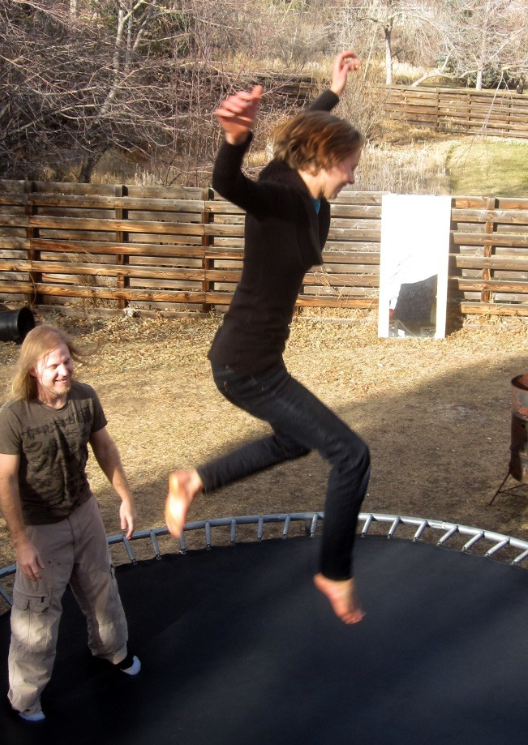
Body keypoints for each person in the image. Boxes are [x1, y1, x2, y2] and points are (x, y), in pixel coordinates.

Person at [165, 52, 370, 625]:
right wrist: (233, 139)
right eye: (349, 165)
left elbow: (303, 130)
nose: (353, 176)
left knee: (293, 440)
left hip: (254, 361)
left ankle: (194, 480)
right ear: (326, 160)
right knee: (351, 454)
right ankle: (334, 572)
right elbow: (228, 183)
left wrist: (332, 92)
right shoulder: (277, 194)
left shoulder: (298, 179)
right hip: (246, 366)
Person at [0, 324, 140, 722]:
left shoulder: (84, 398)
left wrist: (124, 496)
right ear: (33, 372)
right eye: (53, 365)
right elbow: (5, 480)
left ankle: (113, 651)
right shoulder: (14, 417)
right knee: (36, 615)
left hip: (84, 511)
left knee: (101, 589)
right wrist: (21, 543)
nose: (63, 371)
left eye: (66, 361)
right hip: (42, 528)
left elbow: (105, 447)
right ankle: (24, 698)